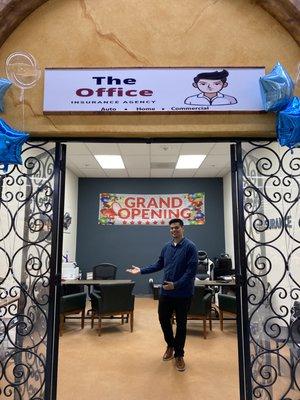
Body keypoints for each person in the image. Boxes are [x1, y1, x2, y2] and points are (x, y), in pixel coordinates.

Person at [126, 218, 198, 372]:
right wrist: (141, 271)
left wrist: (176, 285)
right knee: (163, 319)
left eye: (176, 228)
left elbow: (191, 272)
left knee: (181, 324)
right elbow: (158, 264)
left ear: (182, 229)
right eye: (171, 228)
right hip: (166, 291)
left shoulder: (190, 247)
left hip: (183, 293)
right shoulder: (166, 247)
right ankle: (171, 345)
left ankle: (179, 355)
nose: (174, 230)